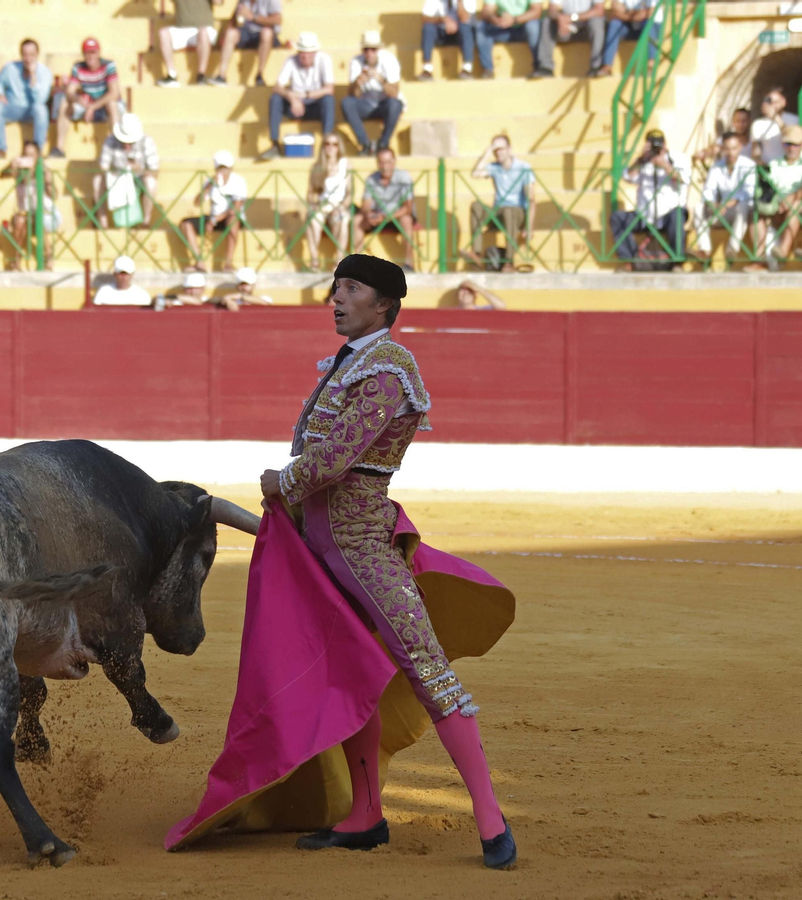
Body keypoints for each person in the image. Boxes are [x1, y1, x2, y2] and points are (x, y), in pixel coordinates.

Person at [174, 255, 518, 870]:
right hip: (320, 552)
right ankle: (364, 815)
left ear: (383, 304)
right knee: (351, 675)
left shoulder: (389, 368)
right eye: (336, 287)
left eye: (351, 288)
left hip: (361, 547)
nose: (336, 298)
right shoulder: (351, 363)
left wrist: (282, 481)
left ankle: (492, 821)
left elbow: (335, 458)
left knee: (429, 671)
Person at [610, 128, 687, 267]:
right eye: (652, 144)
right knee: (617, 218)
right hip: (644, 215)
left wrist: (664, 165)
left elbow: (683, 179)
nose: (656, 148)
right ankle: (630, 261)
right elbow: (627, 176)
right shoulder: (643, 161)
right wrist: (641, 159)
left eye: (658, 144)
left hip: (668, 214)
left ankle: (677, 262)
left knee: (678, 215)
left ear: (665, 145)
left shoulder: (677, 158)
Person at [747, 123, 802, 271]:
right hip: (778, 204)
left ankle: (783, 251)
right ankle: (760, 259)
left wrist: (789, 199)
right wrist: (775, 202)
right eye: (787, 144)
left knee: (795, 205)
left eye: (795, 144)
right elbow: (770, 188)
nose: (791, 148)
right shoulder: (775, 163)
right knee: (754, 211)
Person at [261, 32, 336, 161]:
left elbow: (330, 89)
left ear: (315, 52)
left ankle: (327, 142)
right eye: (302, 52)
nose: (305, 56)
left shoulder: (324, 59)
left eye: (308, 52)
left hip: (315, 105)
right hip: (295, 106)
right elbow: (277, 87)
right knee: (275, 99)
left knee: (328, 100)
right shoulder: (291, 61)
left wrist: (306, 95)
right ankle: (274, 144)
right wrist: (292, 97)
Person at [468, 134, 535, 268]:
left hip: (517, 213)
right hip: (498, 212)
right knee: (476, 206)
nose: (498, 152)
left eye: (501, 148)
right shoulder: (494, 167)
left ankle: (508, 262)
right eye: (495, 149)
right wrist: (487, 152)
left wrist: (529, 227)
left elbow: (532, 200)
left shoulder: (523, 168)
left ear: (509, 149)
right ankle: (477, 253)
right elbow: (475, 174)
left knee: (509, 211)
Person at [52, 38, 124, 158]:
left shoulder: (108, 66)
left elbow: (114, 93)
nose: (90, 56)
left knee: (111, 104)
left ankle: (117, 148)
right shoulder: (78, 67)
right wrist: (77, 99)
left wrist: (92, 107)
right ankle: (59, 148)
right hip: (87, 105)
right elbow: (70, 91)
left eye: (93, 52)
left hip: (105, 106)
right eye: (87, 53)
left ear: (98, 53)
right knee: (65, 103)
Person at [692, 130, 754, 261]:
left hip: (740, 212)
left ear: (740, 147)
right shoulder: (717, 166)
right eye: (727, 149)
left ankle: (732, 249)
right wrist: (713, 205)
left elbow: (748, 193)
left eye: (734, 148)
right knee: (698, 208)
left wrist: (725, 205)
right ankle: (705, 250)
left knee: (743, 207)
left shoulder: (749, 165)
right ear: (722, 149)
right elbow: (708, 190)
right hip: (722, 211)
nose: (731, 153)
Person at [355, 147, 420, 271]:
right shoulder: (371, 179)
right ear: (377, 163)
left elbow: (407, 208)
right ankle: (356, 264)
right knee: (357, 220)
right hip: (378, 216)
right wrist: (368, 214)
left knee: (406, 220)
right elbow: (366, 204)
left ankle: (409, 264)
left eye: (388, 162)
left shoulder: (404, 177)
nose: (385, 166)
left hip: (397, 216)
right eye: (381, 162)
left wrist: (386, 217)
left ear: (394, 162)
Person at [180, 149, 247, 271]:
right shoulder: (210, 182)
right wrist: (208, 187)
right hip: (214, 218)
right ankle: (199, 262)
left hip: (227, 218)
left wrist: (215, 220)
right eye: (220, 168)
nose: (222, 171)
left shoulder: (239, 181)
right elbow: (197, 203)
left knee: (233, 219)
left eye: (225, 168)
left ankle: (228, 263)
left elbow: (236, 208)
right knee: (186, 224)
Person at [342, 31, 406, 156]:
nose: (369, 53)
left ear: (379, 50)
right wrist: (358, 83)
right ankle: (365, 144)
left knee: (395, 104)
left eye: (373, 49)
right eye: (366, 50)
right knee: (347, 103)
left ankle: (383, 144)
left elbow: (394, 93)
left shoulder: (389, 61)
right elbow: (353, 95)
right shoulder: (356, 62)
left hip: (384, 104)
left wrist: (381, 81)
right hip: (365, 104)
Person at [94, 113, 160, 228]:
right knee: (97, 181)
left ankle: (146, 222)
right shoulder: (110, 141)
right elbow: (103, 167)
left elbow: (155, 171)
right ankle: (103, 224)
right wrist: (113, 173)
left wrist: (140, 169)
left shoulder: (147, 141)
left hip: (139, 180)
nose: (127, 145)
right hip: (117, 180)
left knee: (150, 182)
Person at [0, 39, 53, 157]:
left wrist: (33, 78)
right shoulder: (10, 68)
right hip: (12, 107)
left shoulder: (44, 72)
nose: (28, 59)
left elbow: (41, 100)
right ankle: (1, 148)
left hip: (32, 110)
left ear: (37, 54)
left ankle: (37, 150)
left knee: (41, 109)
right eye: (25, 54)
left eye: (31, 55)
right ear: (21, 55)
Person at [5, 141, 61, 272]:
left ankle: (48, 256)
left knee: (37, 217)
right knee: (20, 220)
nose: (29, 158)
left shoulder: (43, 171)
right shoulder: (19, 172)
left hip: (47, 213)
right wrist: (12, 165)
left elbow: (54, 195)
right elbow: (2, 175)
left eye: (32, 155)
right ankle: (16, 260)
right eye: (26, 155)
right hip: (25, 215)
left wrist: (46, 180)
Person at [306, 135, 352, 271]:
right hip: (322, 204)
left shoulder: (346, 164)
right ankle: (314, 260)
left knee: (342, 219)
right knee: (312, 219)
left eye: (334, 144)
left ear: (339, 147)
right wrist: (313, 205)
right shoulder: (317, 166)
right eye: (327, 144)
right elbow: (310, 193)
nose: (331, 147)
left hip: (339, 204)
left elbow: (350, 192)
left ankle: (339, 260)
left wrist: (342, 206)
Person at [210, 0, 283, 86]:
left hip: (264, 35)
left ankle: (260, 74)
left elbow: (277, 20)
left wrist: (253, 17)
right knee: (230, 33)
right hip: (246, 33)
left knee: (267, 33)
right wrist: (225, 35)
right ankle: (221, 75)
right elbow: (233, 20)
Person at [474, 0, 545, 79]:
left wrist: (514, 20)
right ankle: (488, 70)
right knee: (482, 27)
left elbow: (536, 11)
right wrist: (494, 19)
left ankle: (538, 67)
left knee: (533, 26)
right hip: (503, 28)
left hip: (524, 28)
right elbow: (487, 11)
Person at [536, 0, 606, 79]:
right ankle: (545, 67)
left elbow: (599, 10)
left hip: (587, 28)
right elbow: (551, 10)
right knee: (547, 21)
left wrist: (572, 17)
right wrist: (560, 18)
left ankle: (596, 67)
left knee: (597, 22)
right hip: (566, 27)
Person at [158, 0, 219, 87]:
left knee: (203, 32)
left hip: (204, 28)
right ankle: (171, 75)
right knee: (163, 33)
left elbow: (218, 2)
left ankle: (201, 75)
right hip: (183, 29)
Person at [601, 0, 662, 78]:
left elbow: (649, 14)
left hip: (653, 27)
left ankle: (651, 63)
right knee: (614, 24)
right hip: (632, 25)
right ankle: (607, 65)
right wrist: (634, 14)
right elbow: (615, 10)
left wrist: (626, 13)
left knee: (648, 24)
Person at [420, 0, 478, 80]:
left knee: (465, 27)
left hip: (460, 32)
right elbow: (424, 18)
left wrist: (459, 2)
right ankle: (427, 69)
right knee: (428, 28)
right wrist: (444, 19)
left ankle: (467, 69)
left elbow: (465, 18)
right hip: (441, 32)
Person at [749, 87, 799, 165]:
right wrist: (759, 162)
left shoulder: (794, 120)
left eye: (775, 102)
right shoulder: (757, 124)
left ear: (783, 102)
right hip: (768, 166)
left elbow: (792, 137)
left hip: (789, 165)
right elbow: (756, 149)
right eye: (769, 102)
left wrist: (775, 117)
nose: (772, 105)